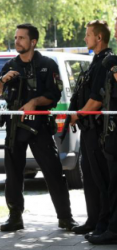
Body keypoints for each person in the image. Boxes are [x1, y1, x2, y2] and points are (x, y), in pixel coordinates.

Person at [0, 23, 78, 232]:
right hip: (15, 127)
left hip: (39, 126)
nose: (17, 41)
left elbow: (54, 96)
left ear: (33, 41)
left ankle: (65, 217)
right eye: (16, 37)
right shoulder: (10, 65)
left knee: (53, 171)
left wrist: (35, 102)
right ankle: (14, 217)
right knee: (13, 174)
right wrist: (3, 79)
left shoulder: (47, 64)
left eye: (21, 37)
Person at [69, 20, 111, 238]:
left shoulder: (106, 62)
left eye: (88, 35)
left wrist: (78, 114)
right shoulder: (95, 62)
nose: (85, 38)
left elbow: (96, 100)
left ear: (99, 38)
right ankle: (93, 220)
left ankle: (104, 225)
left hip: (98, 131)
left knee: (101, 178)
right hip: (87, 130)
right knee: (90, 177)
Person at [88, 18, 117, 245]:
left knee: (110, 182)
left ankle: (111, 227)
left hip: (106, 129)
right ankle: (104, 224)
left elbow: (97, 98)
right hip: (109, 131)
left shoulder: (109, 61)